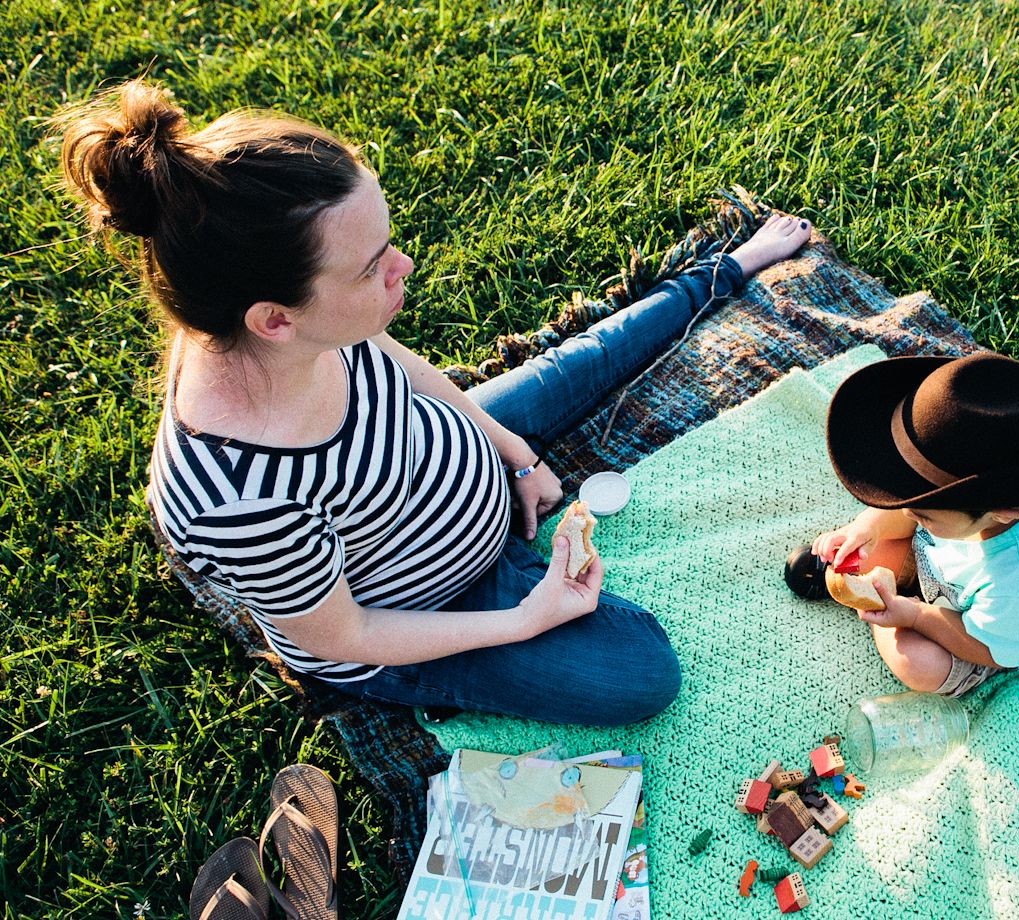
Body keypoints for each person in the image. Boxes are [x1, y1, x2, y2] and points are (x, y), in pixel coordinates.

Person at [56, 79, 810, 725]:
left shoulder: (275, 333)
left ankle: (729, 268)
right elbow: (343, 633)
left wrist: (512, 455)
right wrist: (522, 618)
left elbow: (390, 358)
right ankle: (517, 595)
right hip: (437, 607)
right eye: (373, 268)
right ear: (275, 319)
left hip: (458, 447)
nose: (404, 267)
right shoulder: (237, 503)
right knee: (643, 673)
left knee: (589, 358)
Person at [785, 352, 1019, 697]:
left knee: (917, 664)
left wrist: (914, 616)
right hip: (939, 566)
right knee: (874, 550)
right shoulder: (966, 501)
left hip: (982, 634)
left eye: (925, 515)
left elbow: (981, 646)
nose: (907, 516)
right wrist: (865, 529)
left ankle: (884, 605)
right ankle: (882, 586)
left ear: (1002, 511)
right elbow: (907, 510)